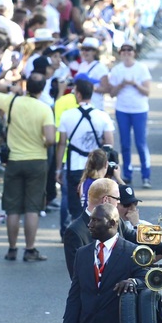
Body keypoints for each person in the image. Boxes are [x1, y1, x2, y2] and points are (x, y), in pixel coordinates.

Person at [0, 73, 56, 261]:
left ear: (27, 86)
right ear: (42, 89)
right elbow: (51, 138)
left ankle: (12, 249)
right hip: (37, 160)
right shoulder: (44, 109)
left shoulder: (12, 102)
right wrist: (42, 144)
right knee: (32, 207)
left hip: (14, 159)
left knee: (12, 208)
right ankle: (30, 249)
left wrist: (10, 89)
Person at [56, 77, 114, 231]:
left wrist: (58, 168)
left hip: (74, 165)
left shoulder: (67, 116)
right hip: (96, 167)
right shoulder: (102, 116)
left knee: (73, 205)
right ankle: (95, 233)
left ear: (79, 95)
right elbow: (109, 144)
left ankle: (72, 233)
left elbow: (62, 143)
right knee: (96, 201)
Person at [103, 41, 152, 187]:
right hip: (122, 110)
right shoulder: (117, 70)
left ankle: (146, 176)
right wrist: (121, 84)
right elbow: (111, 93)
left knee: (140, 143)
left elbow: (147, 91)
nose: (126, 52)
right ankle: (127, 174)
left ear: (134, 52)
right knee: (125, 144)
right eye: (123, 50)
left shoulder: (141, 68)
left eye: (129, 50)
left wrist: (135, 84)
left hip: (139, 110)